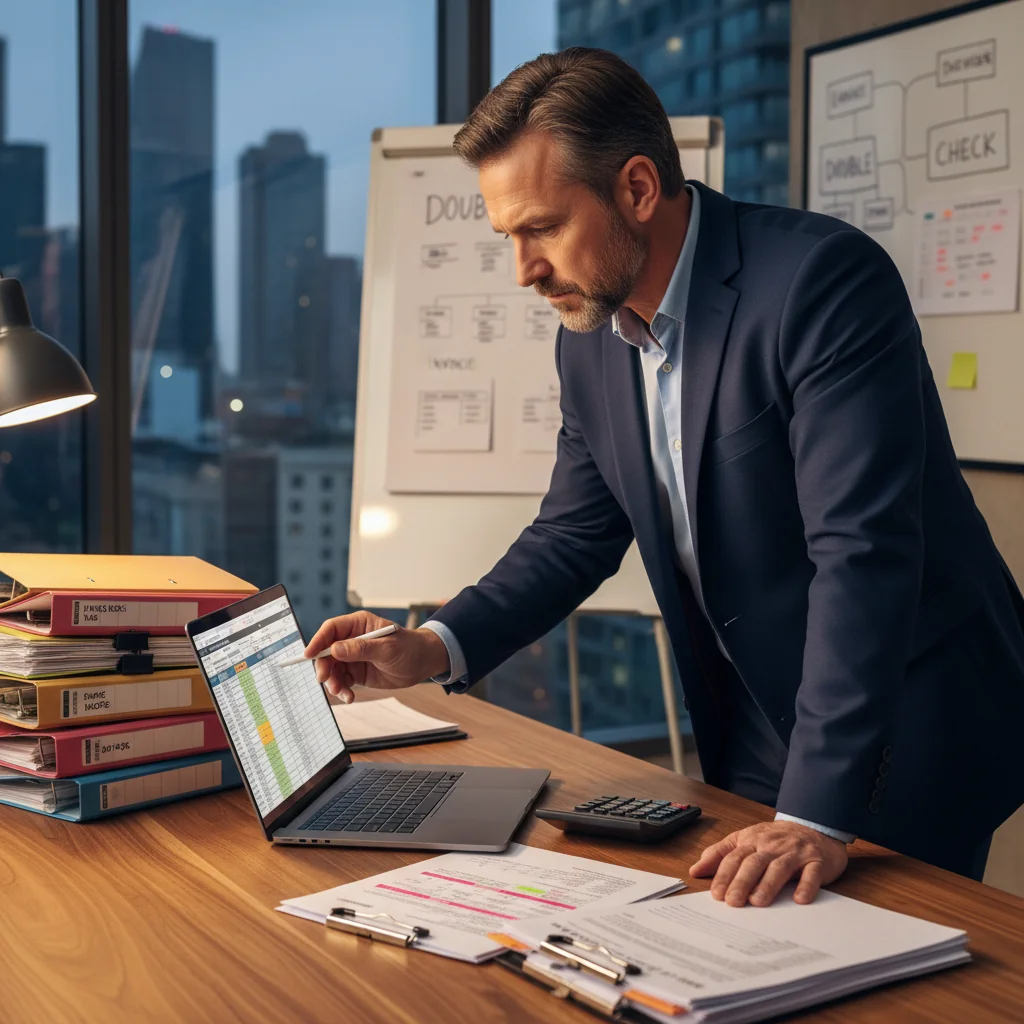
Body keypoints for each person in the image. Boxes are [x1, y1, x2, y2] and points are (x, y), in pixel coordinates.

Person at [306, 49, 1024, 906]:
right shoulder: (589, 341)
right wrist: (430, 647)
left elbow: (861, 553)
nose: (523, 269)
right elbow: (572, 535)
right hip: (753, 716)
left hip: (905, 719)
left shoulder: (822, 282)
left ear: (639, 188)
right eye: (509, 238)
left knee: (884, 957)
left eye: (542, 229)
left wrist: (814, 816)